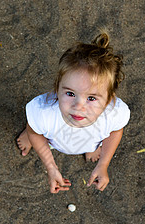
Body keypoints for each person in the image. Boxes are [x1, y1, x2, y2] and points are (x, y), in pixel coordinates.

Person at [17, 32, 130, 193]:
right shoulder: (44, 112)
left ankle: (90, 147)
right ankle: (28, 134)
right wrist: (51, 167)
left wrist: (103, 163)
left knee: (91, 142)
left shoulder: (113, 114)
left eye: (91, 98)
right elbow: (35, 132)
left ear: (109, 100)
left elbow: (115, 131)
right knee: (36, 129)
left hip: (88, 140)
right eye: (70, 94)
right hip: (53, 137)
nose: (79, 106)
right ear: (57, 89)